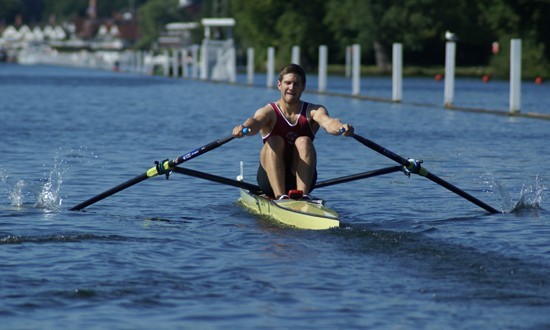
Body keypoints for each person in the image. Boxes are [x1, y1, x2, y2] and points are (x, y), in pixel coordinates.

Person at [233, 63, 354, 199]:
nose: (291, 87)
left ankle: (303, 197)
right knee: (275, 140)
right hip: (270, 181)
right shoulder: (269, 112)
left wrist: (341, 127)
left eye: (296, 83)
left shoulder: (313, 111)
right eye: (288, 83)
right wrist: (244, 128)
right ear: (279, 85)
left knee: (304, 141)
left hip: (302, 178)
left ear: (303, 87)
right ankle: (281, 197)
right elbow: (255, 122)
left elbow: (328, 122)